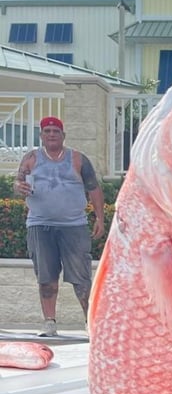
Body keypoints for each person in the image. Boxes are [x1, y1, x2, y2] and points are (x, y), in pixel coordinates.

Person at [13, 116, 105, 336]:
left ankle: (90, 324)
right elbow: (18, 182)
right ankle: (49, 323)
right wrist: (18, 186)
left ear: (63, 135)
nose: (52, 134)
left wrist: (100, 218)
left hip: (74, 226)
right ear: (41, 136)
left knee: (81, 279)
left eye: (56, 131)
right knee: (46, 278)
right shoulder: (31, 158)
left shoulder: (77, 159)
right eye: (47, 131)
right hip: (40, 225)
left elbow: (93, 188)